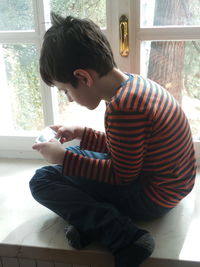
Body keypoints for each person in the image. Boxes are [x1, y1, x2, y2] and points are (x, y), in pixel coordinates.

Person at [29, 13, 197, 267]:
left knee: (43, 180)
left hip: (152, 196)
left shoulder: (123, 107)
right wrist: (83, 135)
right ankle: (91, 225)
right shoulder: (136, 86)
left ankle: (125, 237)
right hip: (171, 185)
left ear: (84, 77)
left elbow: (122, 175)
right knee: (76, 163)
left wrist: (63, 157)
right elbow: (126, 150)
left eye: (66, 91)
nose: (69, 99)